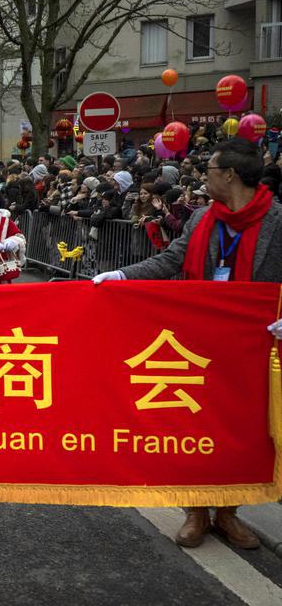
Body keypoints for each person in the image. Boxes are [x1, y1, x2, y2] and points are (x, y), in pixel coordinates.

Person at [94, 139, 282, 551]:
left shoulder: (277, 221)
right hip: (199, 343)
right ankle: (196, 510)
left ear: (229, 175)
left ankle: (230, 511)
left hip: (254, 348)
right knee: (196, 424)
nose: (203, 177)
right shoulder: (201, 219)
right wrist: (122, 276)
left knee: (244, 430)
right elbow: (170, 260)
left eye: (211, 169)